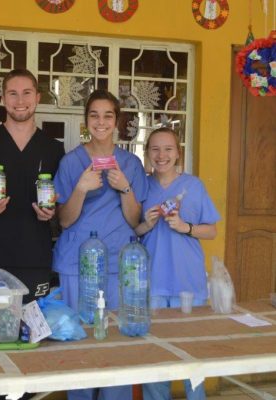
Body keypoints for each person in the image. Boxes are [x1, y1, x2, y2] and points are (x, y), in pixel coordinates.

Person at [53, 89, 148, 400]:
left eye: (108, 115)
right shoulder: (71, 163)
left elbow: (136, 220)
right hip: (76, 264)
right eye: (94, 115)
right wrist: (80, 188)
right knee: (78, 340)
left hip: (119, 264)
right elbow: (64, 220)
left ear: (117, 121)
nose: (101, 121)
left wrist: (125, 188)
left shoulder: (130, 164)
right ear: (86, 121)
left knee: (116, 345)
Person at [0, 69, 65, 303]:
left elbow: (61, 204)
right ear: (3, 99)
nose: (20, 101)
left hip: (36, 257)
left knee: (33, 330)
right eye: (13, 93)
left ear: (38, 98)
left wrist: (52, 212)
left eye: (27, 93)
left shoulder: (53, 148)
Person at [135, 127, 220, 400]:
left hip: (188, 284)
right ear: (147, 153)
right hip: (152, 284)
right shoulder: (141, 186)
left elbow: (212, 231)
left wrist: (185, 227)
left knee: (193, 360)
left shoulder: (194, 186)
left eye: (168, 149)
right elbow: (131, 230)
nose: (162, 155)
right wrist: (145, 224)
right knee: (155, 359)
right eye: (155, 149)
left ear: (178, 153)